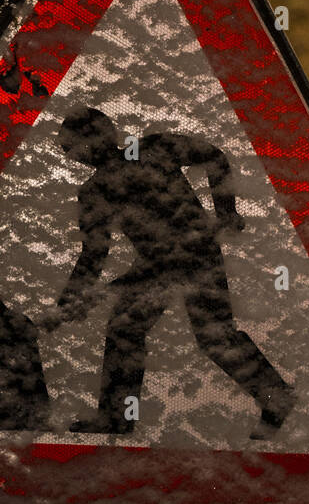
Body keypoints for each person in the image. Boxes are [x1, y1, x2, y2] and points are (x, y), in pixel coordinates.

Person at [44, 107, 294, 439]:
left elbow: (213, 155)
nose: (68, 154)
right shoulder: (97, 189)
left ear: (92, 141)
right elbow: (94, 253)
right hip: (159, 265)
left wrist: (225, 210)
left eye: (69, 146)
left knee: (212, 336)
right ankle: (117, 418)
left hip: (194, 253)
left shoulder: (150, 151)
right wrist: (68, 302)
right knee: (126, 330)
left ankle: (277, 397)